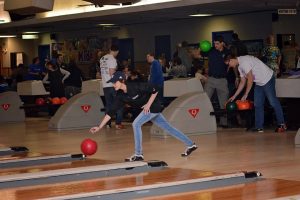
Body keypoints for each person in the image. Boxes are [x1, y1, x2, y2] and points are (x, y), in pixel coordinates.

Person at [90, 71, 197, 162]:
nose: (113, 85)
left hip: (154, 105)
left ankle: (138, 154)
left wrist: (148, 105)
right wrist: (99, 127)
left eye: (115, 82)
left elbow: (155, 89)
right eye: (112, 83)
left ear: (122, 80)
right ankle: (191, 144)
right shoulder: (121, 96)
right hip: (149, 109)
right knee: (168, 128)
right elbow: (110, 112)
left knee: (136, 124)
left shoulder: (135, 86)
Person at [225, 54, 287, 133]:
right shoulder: (240, 66)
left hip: (267, 79)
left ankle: (282, 124)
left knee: (273, 102)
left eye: (228, 64)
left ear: (231, 60)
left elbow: (250, 79)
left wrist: (246, 94)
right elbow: (242, 82)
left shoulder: (244, 62)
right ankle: (259, 127)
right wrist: (234, 96)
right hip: (259, 82)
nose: (229, 66)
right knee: (257, 104)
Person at [205, 36, 230, 127]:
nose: (215, 45)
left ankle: (224, 123)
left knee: (223, 104)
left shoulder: (227, 52)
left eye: (217, 43)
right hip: (211, 80)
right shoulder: (211, 50)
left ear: (222, 43)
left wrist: (237, 77)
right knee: (205, 100)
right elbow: (197, 54)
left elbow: (231, 64)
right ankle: (205, 122)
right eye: (214, 43)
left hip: (222, 80)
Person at [100, 45, 124, 129]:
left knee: (109, 105)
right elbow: (111, 72)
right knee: (119, 104)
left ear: (110, 49)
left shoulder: (102, 58)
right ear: (117, 51)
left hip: (105, 85)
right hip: (112, 86)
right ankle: (118, 124)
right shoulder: (112, 59)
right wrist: (116, 84)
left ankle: (107, 124)